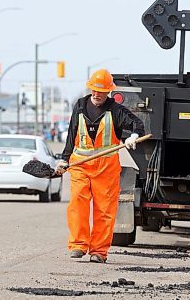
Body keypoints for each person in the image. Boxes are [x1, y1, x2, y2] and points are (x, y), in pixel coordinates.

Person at [55, 68, 145, 263]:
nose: (96, 94)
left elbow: (138, 124)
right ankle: (78, 245)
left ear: (108, 92)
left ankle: (99, 251)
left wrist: (133, 136)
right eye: (94, 90)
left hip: (106, 168)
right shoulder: (80, 105)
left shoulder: (116, 109)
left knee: (104, 209)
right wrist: (64, 158)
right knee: (77, 202)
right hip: (80, 163)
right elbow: (72, 132)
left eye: (101, 91)